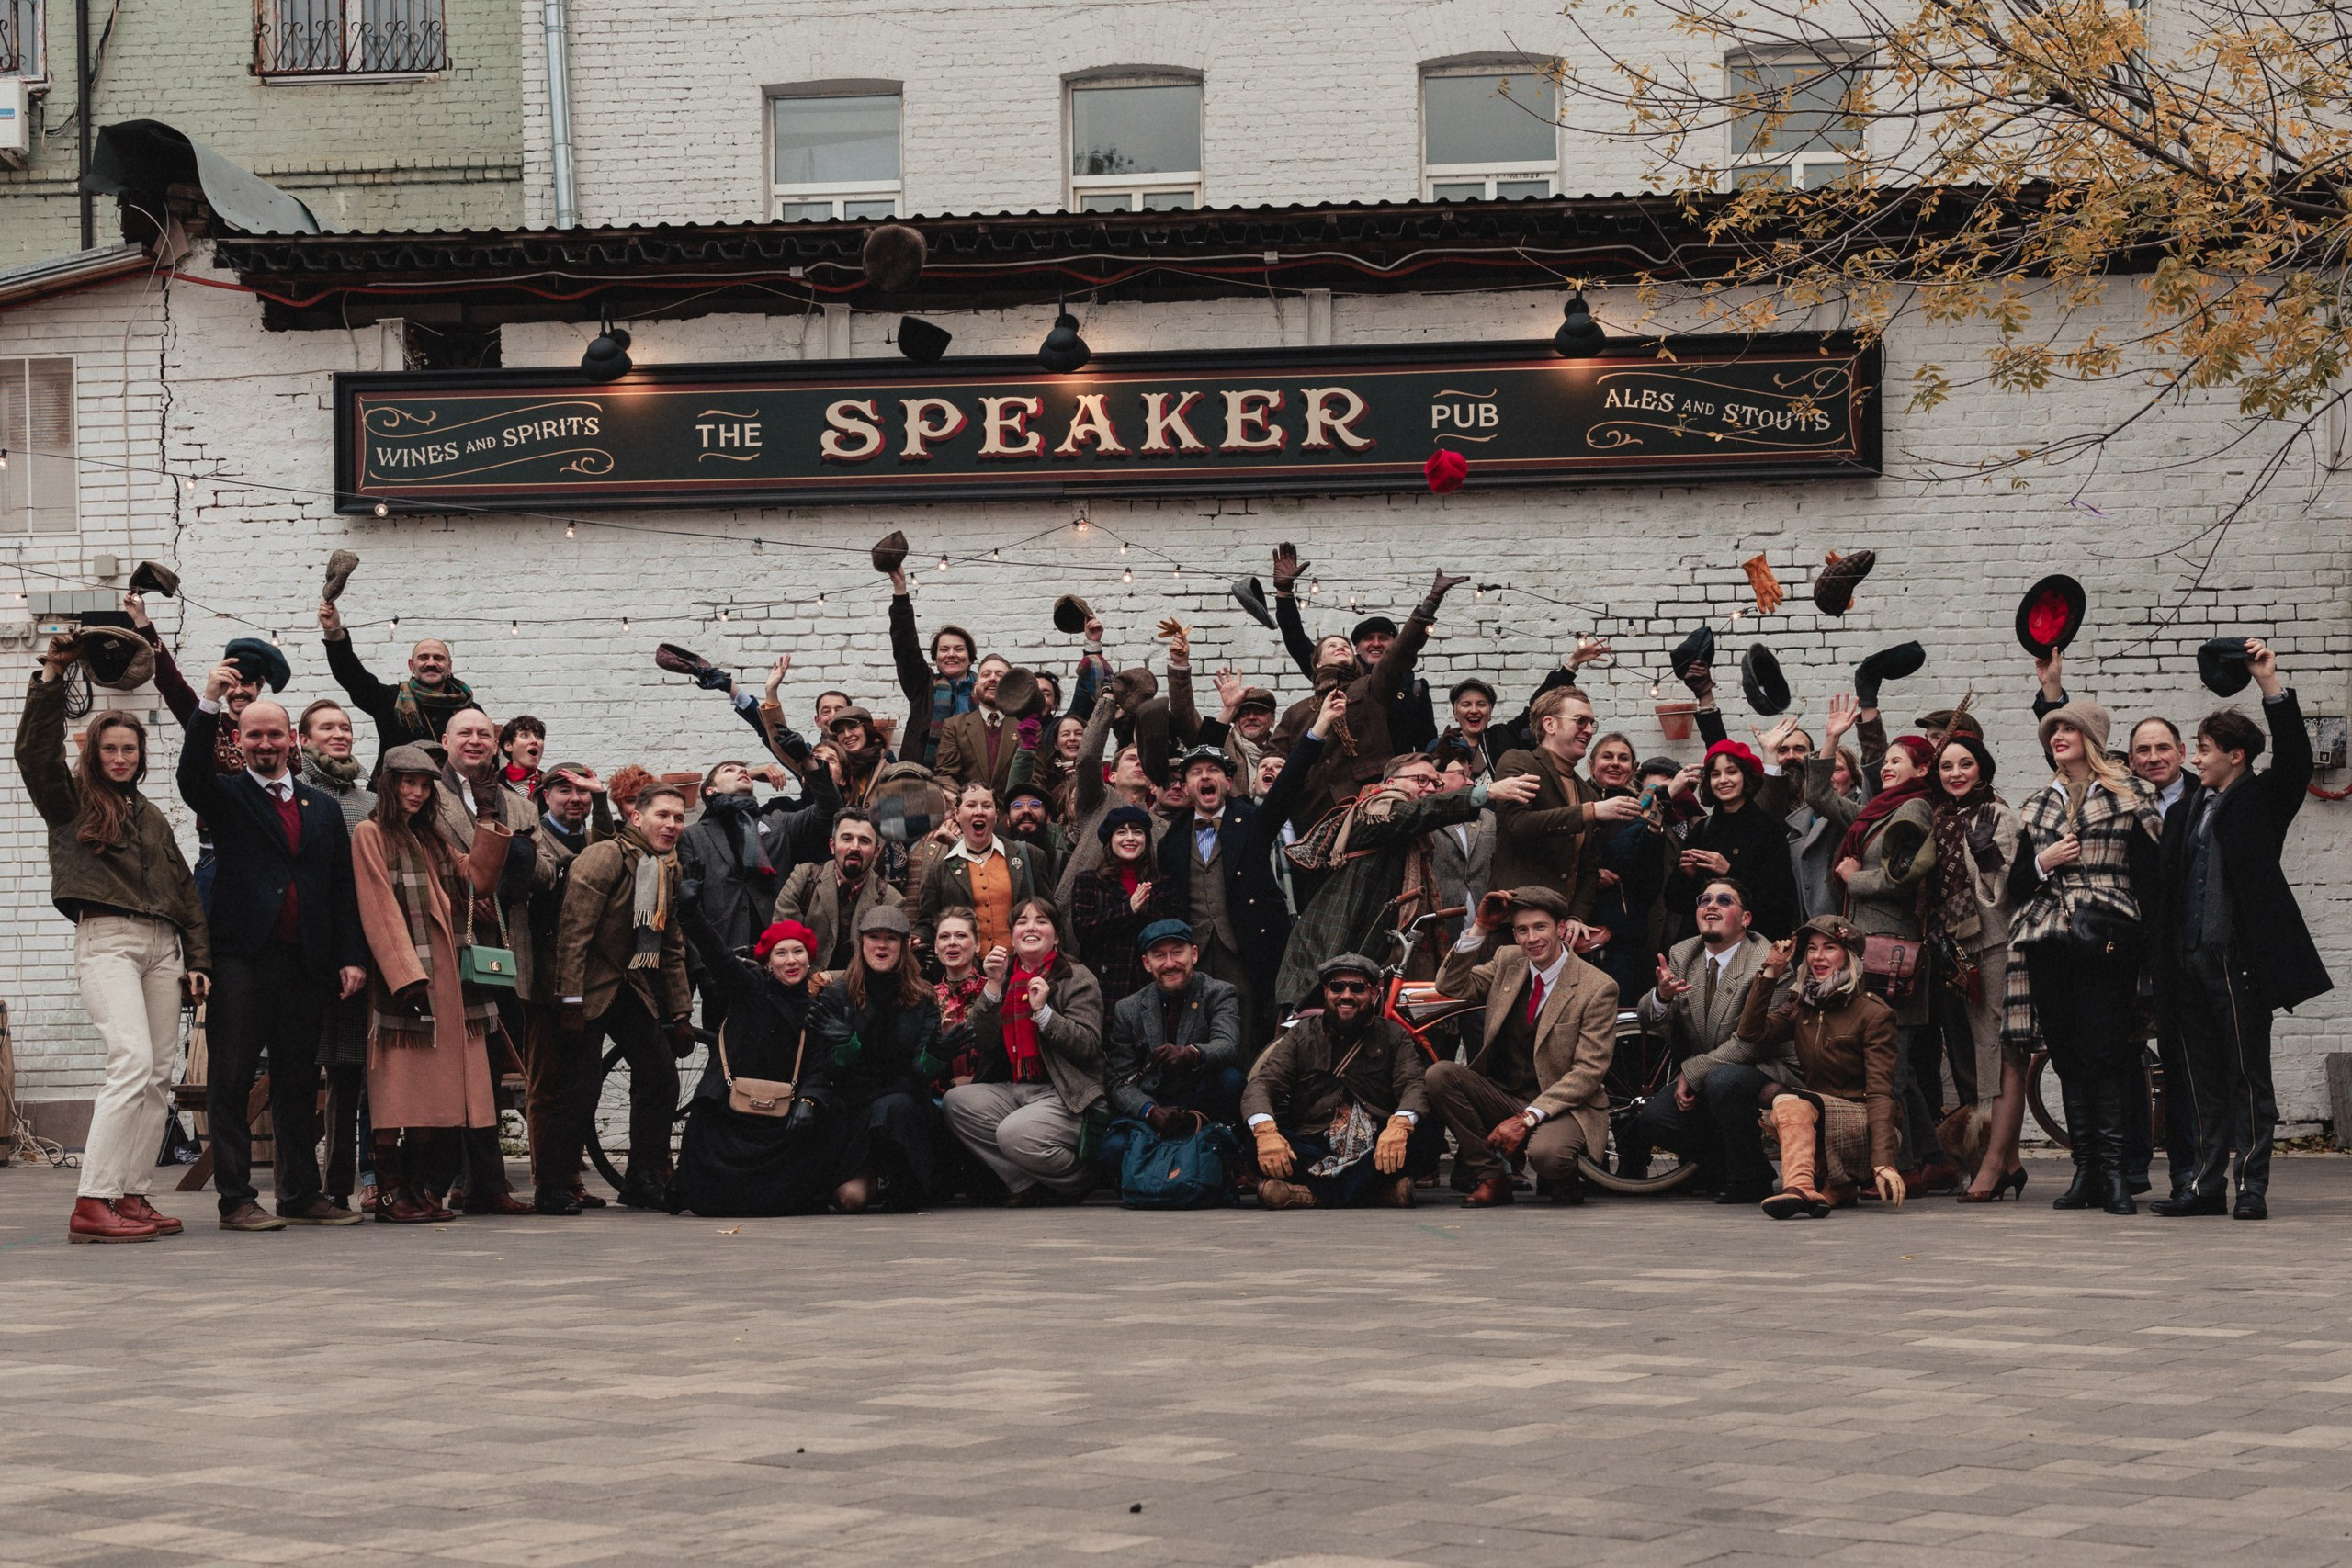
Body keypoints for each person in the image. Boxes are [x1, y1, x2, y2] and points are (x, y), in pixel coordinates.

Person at [17, 637, 210, 1244]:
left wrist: (198, 958)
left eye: (130, 748)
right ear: (95, 753)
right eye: (111, 747)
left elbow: (184, 888)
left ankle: (131, 1191)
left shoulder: (151, 815)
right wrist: (52, 673)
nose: (121, 756)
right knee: (128, 1059)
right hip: (108, 940)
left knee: (156, 1073)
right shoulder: (71, 802)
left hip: (161, 948)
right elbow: (33, 752)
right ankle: (93, 1199)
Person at [176, 667, 368, 1232]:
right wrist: (210, 704)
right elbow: (191, 775)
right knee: (232, 1082)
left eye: (274, 735)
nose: (265, 743)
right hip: (241, 960)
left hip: (305, 963)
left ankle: (300, 1195)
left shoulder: (321, 807)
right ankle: (236, 1199)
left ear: (291, 742)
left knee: (297, 1081)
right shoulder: (227, 795)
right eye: (254, 735)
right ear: (239, 741)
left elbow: (340, 888)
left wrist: (351, 955)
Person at [2150, 641, 2330, 1220]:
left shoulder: (2261, 799)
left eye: (2202, 751)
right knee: (2199, 1078)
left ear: (2234, 754)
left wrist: (2269, 684)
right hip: (2188, 962)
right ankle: (2204, 1188)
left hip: (2239, 962)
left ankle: (2251, 1187)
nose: (2194, 759)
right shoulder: (2185, 809)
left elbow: (2298, 761)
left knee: (2248, 1076)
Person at [2005, 700, 2162, 1217]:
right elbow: (2015, 887)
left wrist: (2147, 949)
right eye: (2053, 730)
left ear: (2091, 738)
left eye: (2069, 729)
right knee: (2069, 1057)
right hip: (2049, 940)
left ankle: (2117, 1176)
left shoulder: (2129, 796)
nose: (2058, 736)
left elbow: (2151, 876)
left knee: (2108, 1054)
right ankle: (2086, 1171)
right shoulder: (2038, 803)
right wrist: (2042, 862)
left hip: (2107, 935)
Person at [350, 743, 514, 1223]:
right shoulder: (370, 832)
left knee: (431, 1094)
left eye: (424, 784)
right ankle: (389, 1193)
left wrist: (488, 814)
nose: (416, 792)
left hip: (448, 981)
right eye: (407, 782)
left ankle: (418, 1190)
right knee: (396, 1091)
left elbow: (478, 881)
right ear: (388, 784)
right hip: (409, 977)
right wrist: (407, 977)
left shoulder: (432, 837)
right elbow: (378, 906)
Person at [1275, 748, 1542, 1008]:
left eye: (1435, 782)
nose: (1429, 788)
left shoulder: (1410, 829)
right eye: (1420, 779)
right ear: (1391, 782)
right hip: (1331, 945)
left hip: (1365, 949)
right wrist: (1488, 791)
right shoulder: (1375, 809)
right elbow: (1417, 812)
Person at [1425, 886, 1620, 1206]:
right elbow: (1450, 985)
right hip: (1504, 1094)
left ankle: (1561, 1173)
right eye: (1522, 930)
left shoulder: (1597, 987)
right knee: (1440, 1075)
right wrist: (1481, 927)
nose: (1532, 938)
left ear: (1560, 929)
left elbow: (1589, 1072)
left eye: (1540, 927)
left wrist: (1527, 1118)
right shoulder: (1508, 960)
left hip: (1561, 1105)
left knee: (1549, 1157)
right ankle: (1491, 1176)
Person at [549, 784, 695, 1211]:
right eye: (662, 816)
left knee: (660, 1076)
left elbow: (670, 944)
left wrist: (681, 1012)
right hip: (587, 986)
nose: (671, 825)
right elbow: (572, 934)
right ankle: (554, 1185)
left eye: (679, 818)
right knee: (580, 1087)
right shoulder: (605, 856)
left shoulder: (666, 867)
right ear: (636, 818)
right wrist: (570, 1000)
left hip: (628, 983)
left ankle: (642, 1178)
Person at [431, 707, 541, 1215]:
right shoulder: (426, 796)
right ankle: (440, 1180)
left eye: (483, 734)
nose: (475, 741)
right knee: (450, 1068)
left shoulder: (520, 806)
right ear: (446, 740)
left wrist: (507, 872)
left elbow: (545, 871)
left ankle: (485, 1183)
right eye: (465, 734)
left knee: (495, 1069)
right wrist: (466, 887)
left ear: (496, 743)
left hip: (503, 953)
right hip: (447, 947)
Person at [1828, 732, 1950, 1190]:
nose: (1886, 767)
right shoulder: (1876, 812)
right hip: (1872, 949)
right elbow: (1822, 795)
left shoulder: (1914, 808)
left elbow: (1907, 875)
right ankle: (1932, 1159)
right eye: (1885, 762)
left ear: (1922, 770)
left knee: (1888, 1068)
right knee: (1900, 1067)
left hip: (1892, 953)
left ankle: (1895, 1166)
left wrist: (1856, 880)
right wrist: (1830, 739)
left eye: (1897, 761)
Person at [1625, 876, 1788, 1203]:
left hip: (1766, 1064)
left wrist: (1692, 1072)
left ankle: (1748, 1178)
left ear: (1746, 920)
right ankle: (1733, 1168)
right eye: (1704, 900)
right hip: (1712, 1069)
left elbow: (1751, 1043)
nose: (1711, 905)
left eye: (1724, 900)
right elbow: (1648, 1019)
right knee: (1655, 1120)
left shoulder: (1767, 962)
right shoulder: (1684, 953)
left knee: (1723, 1080)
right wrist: (1662, 996)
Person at [667, 911, 838, 1217]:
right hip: (731, 1115)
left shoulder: (817, 1010)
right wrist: (694, 917)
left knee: (829, 1118)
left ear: (809, 959)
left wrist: (809, 1100)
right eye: (781, 953)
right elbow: (718, 957)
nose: (791, 960)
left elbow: (820, 1066)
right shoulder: (750, 987)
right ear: (768, 962)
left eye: (798, 952)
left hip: (780, 1119)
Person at [1243, 953, 1443, 1208]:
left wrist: (1400, 1126)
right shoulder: (1300, 1035)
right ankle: (1376, 1194)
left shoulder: (1395, 1036)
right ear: (1326, 992)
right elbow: (1262, 1084)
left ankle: (1309, 1195)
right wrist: (1266, 1132)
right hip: (1314, 1144)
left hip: (1377, 1145)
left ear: (1373, 994)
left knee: (1428, 1135)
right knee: (1251, 1141)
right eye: (1337, 987)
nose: (1346, 995)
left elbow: (1414, 1084)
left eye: (1357, 988)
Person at [942, 897, 1108, 1205]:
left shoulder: (1075, 976)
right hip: (1018, 1088)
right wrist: (992, 987)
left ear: (1057, 936)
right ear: (1013, 936)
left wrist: (1044, 1014)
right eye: (1022, 922)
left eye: (1041, 921)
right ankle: (1024, 1184)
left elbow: (1088, 1046)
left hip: (1067, 1094)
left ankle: (1079, 1180)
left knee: (1012, 1133)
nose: (1031, 927)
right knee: (956, 1103)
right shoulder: (1006, 978)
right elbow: (982, 1040)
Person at [1740, 917, 1904, 1219]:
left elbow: (1881, 1091)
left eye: (1829, 948)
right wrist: (1769, 974)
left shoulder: (1874, 1013)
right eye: (1812, 948)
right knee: (1780, 1101)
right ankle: (1811, 1188)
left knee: (1790, 1102)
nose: (1817, 956)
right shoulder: (1803, 1003)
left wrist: (1884, 1160)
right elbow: (1751, 1033)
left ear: (1849, 956)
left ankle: (1808, 1186)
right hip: (1817, 1114)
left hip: (1860, 1121)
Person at [1154, 741, 1309, 1050]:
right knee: (1196, 1031)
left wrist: (1318, 732)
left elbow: (1288, 785)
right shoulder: (1172, 837)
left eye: (1213, 770)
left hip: (1243, 947)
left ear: (1227, 781)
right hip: (1193, 952)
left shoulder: (1252, 820)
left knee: (1247, 1032)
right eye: (1196, 772)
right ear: (1186, 787)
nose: (1205, 776)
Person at [1928, 735, 2029, 1203]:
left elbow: (2009, 890)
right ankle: (2009, 1163)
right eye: (1947, 766)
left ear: (1982, 769)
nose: (1955, 773)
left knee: (2002, 1053)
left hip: (1996, 944)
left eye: (1965, 764)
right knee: (1984, 1054)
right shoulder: (1942, 819)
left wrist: (1987, 855)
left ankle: (1994, 1164)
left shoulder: (1997, 816)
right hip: (1961, 950)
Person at [677, 757, 840, 1035]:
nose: (741, 771)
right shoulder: (692, 836)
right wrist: (702, 969)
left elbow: (829, 812)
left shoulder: (777, 823)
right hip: (723, 961)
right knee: (725, 1049)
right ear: (710, 791)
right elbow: (689, 908)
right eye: (729, 770)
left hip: (778, 957)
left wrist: (810, 764)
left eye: (744, 770)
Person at [809, 905, 947, 1211]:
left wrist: (936, 1056)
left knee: (893, 1108)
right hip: (855, 1109)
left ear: (904, 945)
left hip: (904, 1109)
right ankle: (873, 1177)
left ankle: (902, 1181)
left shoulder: (923, 996)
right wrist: (847, 1049)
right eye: (874, 937)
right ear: (861, 943)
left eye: (891, 938)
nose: (882, 945)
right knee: (849, 1198)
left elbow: (921, 1072)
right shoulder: (837, 994)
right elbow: (826, 1068)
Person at [297, 698, 376, 1210]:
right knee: (300, 1070)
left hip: (358, 948)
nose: (339, 734)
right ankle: (298, 1186)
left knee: (351, 1071)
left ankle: (341, 1187)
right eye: (327, 727)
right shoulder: (294, 794)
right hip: (307, 947)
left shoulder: (369, 802)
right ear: (303, 740)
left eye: (345, 727)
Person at [525, 762, 608, 1209]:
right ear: (545, 797)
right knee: (545, 1084)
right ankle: (546, 1179)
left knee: (581, 1084)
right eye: (564, 790)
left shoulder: (595, 838)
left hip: (586, 981)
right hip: (544, 980)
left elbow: (616, 849)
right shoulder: (536, 837)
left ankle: (571, 1177)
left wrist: (604, 799)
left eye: (581, 792)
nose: (574, 798)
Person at [1490, 686, 1642, 921]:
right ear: (1550, 724)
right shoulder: (1519, 761)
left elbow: (1588, 869)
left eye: (1592, 723)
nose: (1589, 730)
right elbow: (1517, 824)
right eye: (1581, 721)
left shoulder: (1586, 791)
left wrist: (1576, 918)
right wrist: (1590, 811)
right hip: (1516, 920)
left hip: (1562, 928)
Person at [1102, 919, 1247, 1148]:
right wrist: (1150, 1111)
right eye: (1159, 956)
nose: (1170, 964)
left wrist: (1191, 1053)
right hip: (1154, 1099)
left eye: (1177, 953)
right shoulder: (1127, 1009)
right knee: (1113, 1148)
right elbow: (1119, 1080)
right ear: (1147, 964)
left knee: (1231, 1080)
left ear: (1194, 955)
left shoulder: (1219, 992)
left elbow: (1227, 1045)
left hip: (1201, 1097)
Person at [319, 598, 476, 776]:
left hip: (453, 795)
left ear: (449, 667)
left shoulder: (470, 709)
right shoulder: (389, 700)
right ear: (411, 665)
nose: (431, 663)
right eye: (423, 658)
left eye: (438, 658)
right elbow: (353, 677)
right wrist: (333, 631)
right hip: (392, 797)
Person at [1671, 739, 1802, 942]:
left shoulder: (1768, 829)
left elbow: (1779, 902)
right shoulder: (1701, 829)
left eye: (1731, 772)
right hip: (1703, 946)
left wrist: (1730, 872)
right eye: (1716, 774)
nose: (1723, 780)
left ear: (1746, 776)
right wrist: (1687, 876)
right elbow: (1676, 903)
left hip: (1751, 945)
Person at [917, 783, 1049, 954]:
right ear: (957, 814)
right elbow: (929, 924)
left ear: (996, 815)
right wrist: (918, 936)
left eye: (987, 806)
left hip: (1019, 969)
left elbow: (1049, 914)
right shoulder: (940, 871)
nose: (979, 811)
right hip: (966, 971)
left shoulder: (1030, 856)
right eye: (971, 805)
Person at [774, 807, 901, 973]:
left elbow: (882, 967)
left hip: (860, 993)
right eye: (847, 839)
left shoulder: (890, 900)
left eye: (864, 841)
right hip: (801, 987)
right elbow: (783, 945)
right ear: (832, 846)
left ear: (876, 852)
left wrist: (831, 979)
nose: (854, 847)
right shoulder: (803, 879)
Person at [1069, 805, 1175, 1003]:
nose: (1130, 838)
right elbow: (1083, 930)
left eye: (1137, 832)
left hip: (1148, 983)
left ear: (1146, 839)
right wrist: (1128, 909)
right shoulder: (1089, 881)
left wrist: (1144, 910)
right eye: (1121, 832)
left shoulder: (1161, 883)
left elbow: (1169, 931)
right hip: (1105, 984)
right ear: (1110, 840)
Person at [886, 565, 978, 769]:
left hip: (973, 779)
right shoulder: (923, 687)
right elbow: (905, 649)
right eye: (944, 650)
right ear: (936, 659)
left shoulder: (985, 690)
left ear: (970, 658)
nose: (951, 654)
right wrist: (900, 591)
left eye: (959, 649)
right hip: (924, 778)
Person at [933, 654, 1021, 797]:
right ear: (975, 687)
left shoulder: (1028, 729)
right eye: (986, 675)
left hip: (1014, 814)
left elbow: (1035, 779)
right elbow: (946, 777)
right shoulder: (954, 726)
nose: (993, 678)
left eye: (1000, 675)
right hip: (969, 813)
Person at [499, 715, 547, 796]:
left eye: (538, 736)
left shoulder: (550, 784)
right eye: (525, 735)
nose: (534, 741)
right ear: (508, 746)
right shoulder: (495, 784)